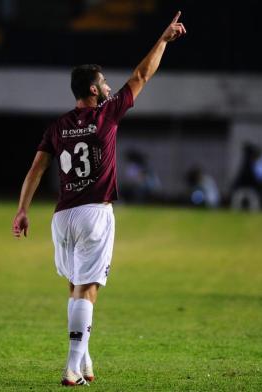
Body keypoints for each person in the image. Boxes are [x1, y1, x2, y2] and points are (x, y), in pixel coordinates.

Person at [12, 11, 186, 387]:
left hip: (63, 217)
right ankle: (72, 366)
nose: (108, 86)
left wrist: (23, 210)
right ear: (92, 89)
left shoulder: (56, 126)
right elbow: (142, 75)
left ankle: (85, 360)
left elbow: (35, 171)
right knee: (86, 290)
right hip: (95, 213)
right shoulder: (106, 114)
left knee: (77, 288)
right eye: (103, 82)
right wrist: (163, 40)